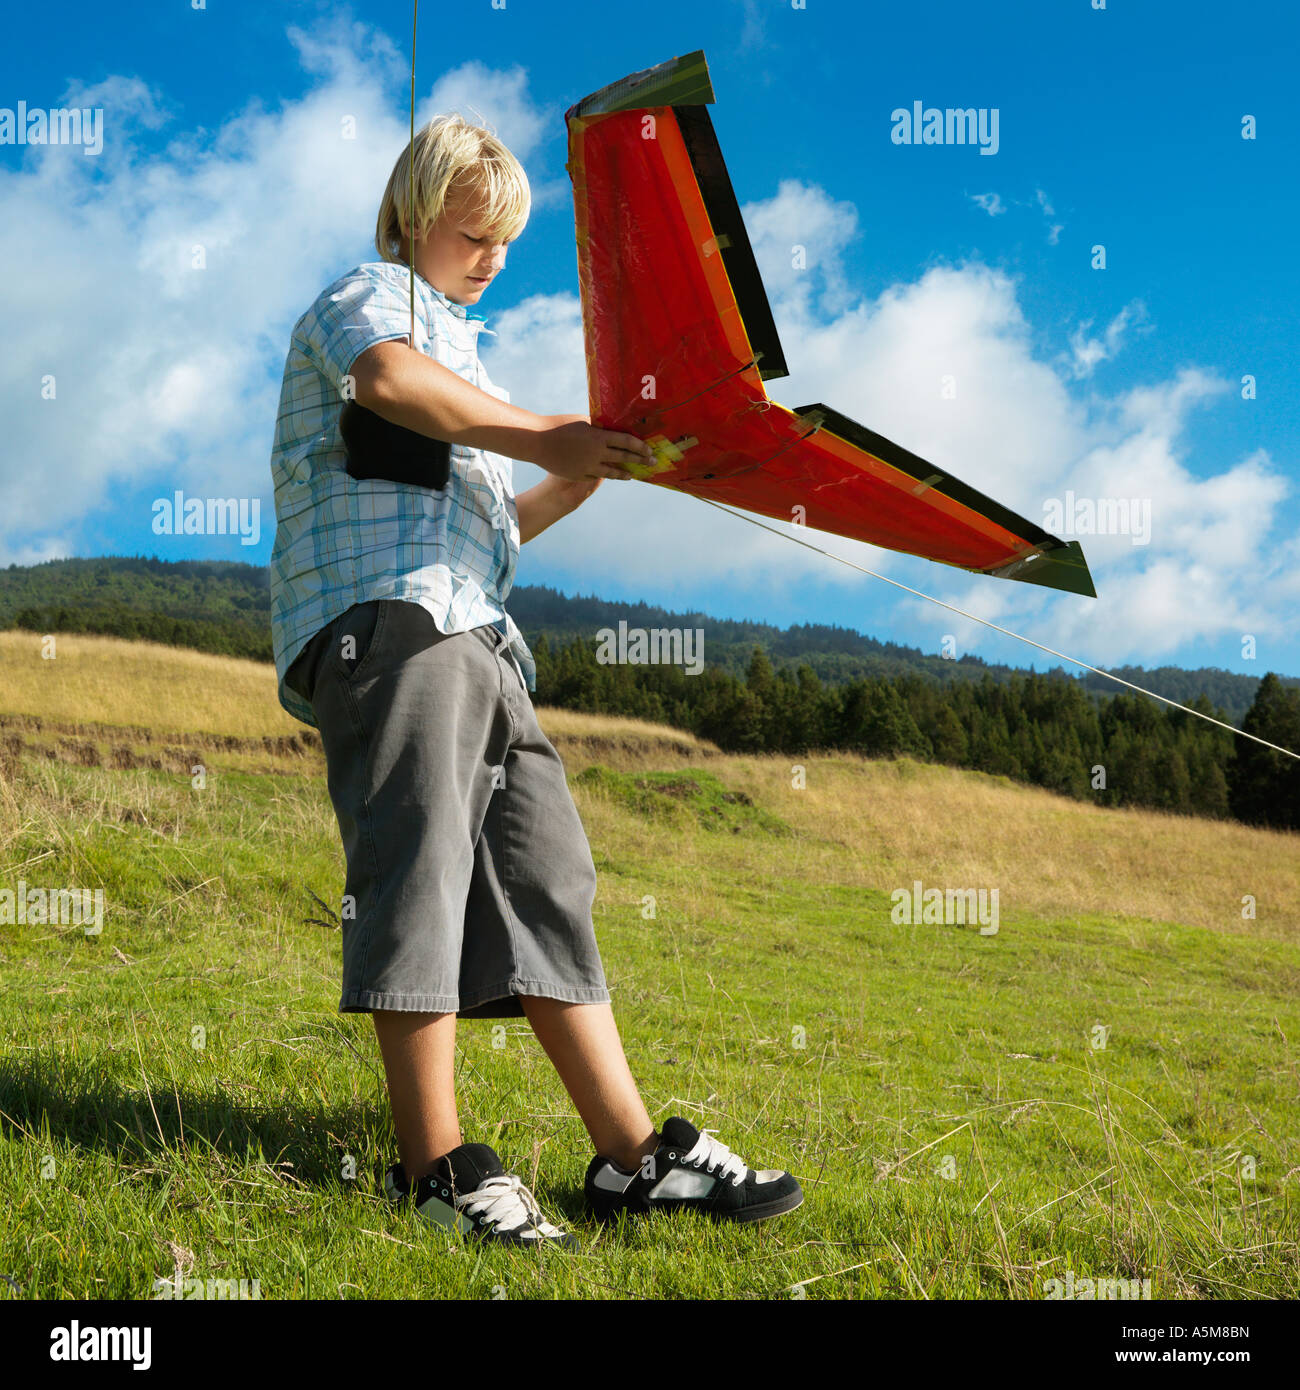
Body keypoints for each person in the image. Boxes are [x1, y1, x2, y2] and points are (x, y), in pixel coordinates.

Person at [267, 113, 802, 1246]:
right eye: (474, 231)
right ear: (417, 213)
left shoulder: (465, 357)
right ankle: (437, 1167)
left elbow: (499, 523)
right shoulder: (369, 303)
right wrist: (546, 433)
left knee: (549, 877)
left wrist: (599, 461)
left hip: (481, 633)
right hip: (396, 622)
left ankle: (630, 1159)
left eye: (506, 240)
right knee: (416, 868)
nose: (491, 256)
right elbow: (390, 385)